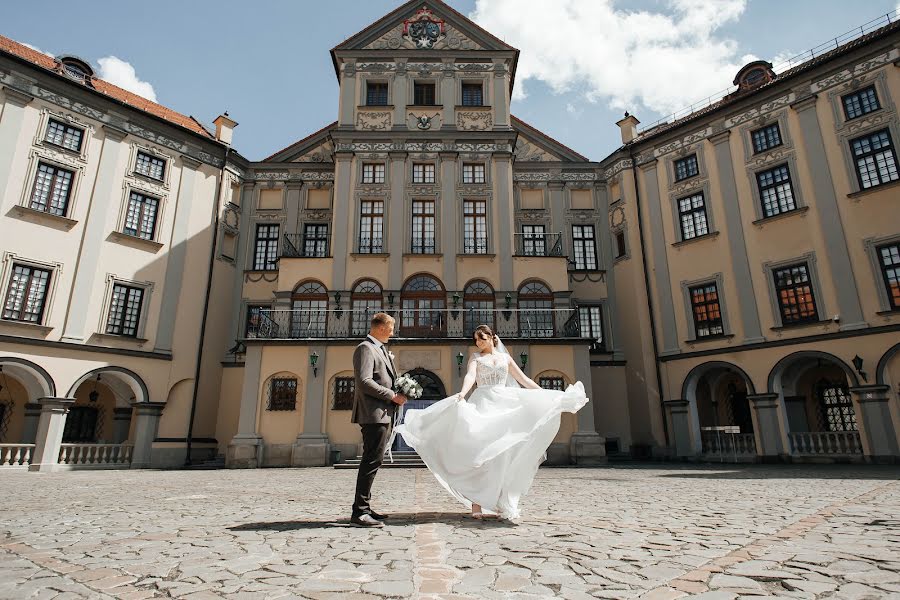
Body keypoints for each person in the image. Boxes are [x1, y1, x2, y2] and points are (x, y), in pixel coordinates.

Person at [394, 324, 589, 520]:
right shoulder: (475, 358)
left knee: (502, 456)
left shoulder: (505, 358)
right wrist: (463, 392)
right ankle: (476, 503)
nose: (478, 343)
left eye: (482, 338)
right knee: (479, 453)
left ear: (492, 337)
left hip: (504, 404)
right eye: (476, 340)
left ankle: (500, 502)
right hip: (483, 403)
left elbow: (523, 379)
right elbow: (470, 376)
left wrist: (544, 394)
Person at [349, 312, 407, 527]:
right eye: (391, 328)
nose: (393, 332)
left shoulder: (379, 349)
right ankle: (360, 512)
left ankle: (365, 507)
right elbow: (364, 381)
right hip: (374, 414)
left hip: (383, 413)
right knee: (371, 461)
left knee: (374, 460)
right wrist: (392, 395)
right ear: (382, 328)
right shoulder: (365, 348)